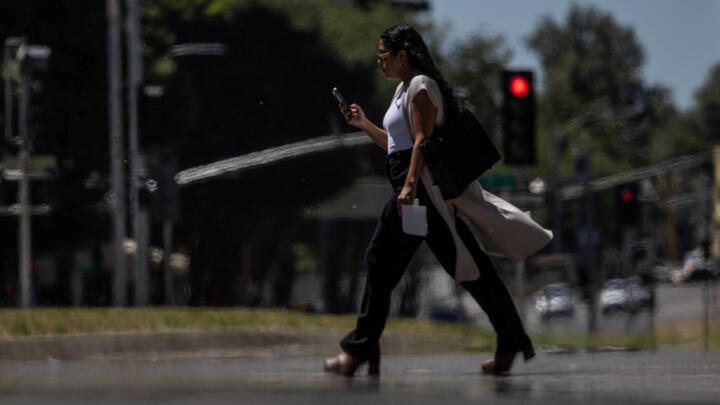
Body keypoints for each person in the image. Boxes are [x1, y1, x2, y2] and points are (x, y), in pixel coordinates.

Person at [323, 25, 552, 377]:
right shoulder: (404, 89)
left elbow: (421, 142)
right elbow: (397, 146)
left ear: (403, 55)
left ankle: (361, 351)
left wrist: (410, 185)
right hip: (413, 190)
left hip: (421, 193)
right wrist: (364, 124)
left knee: (428, 265)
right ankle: (510, 340)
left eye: (384, 53)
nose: (379, 60)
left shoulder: (421, 86)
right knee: (462, 268)